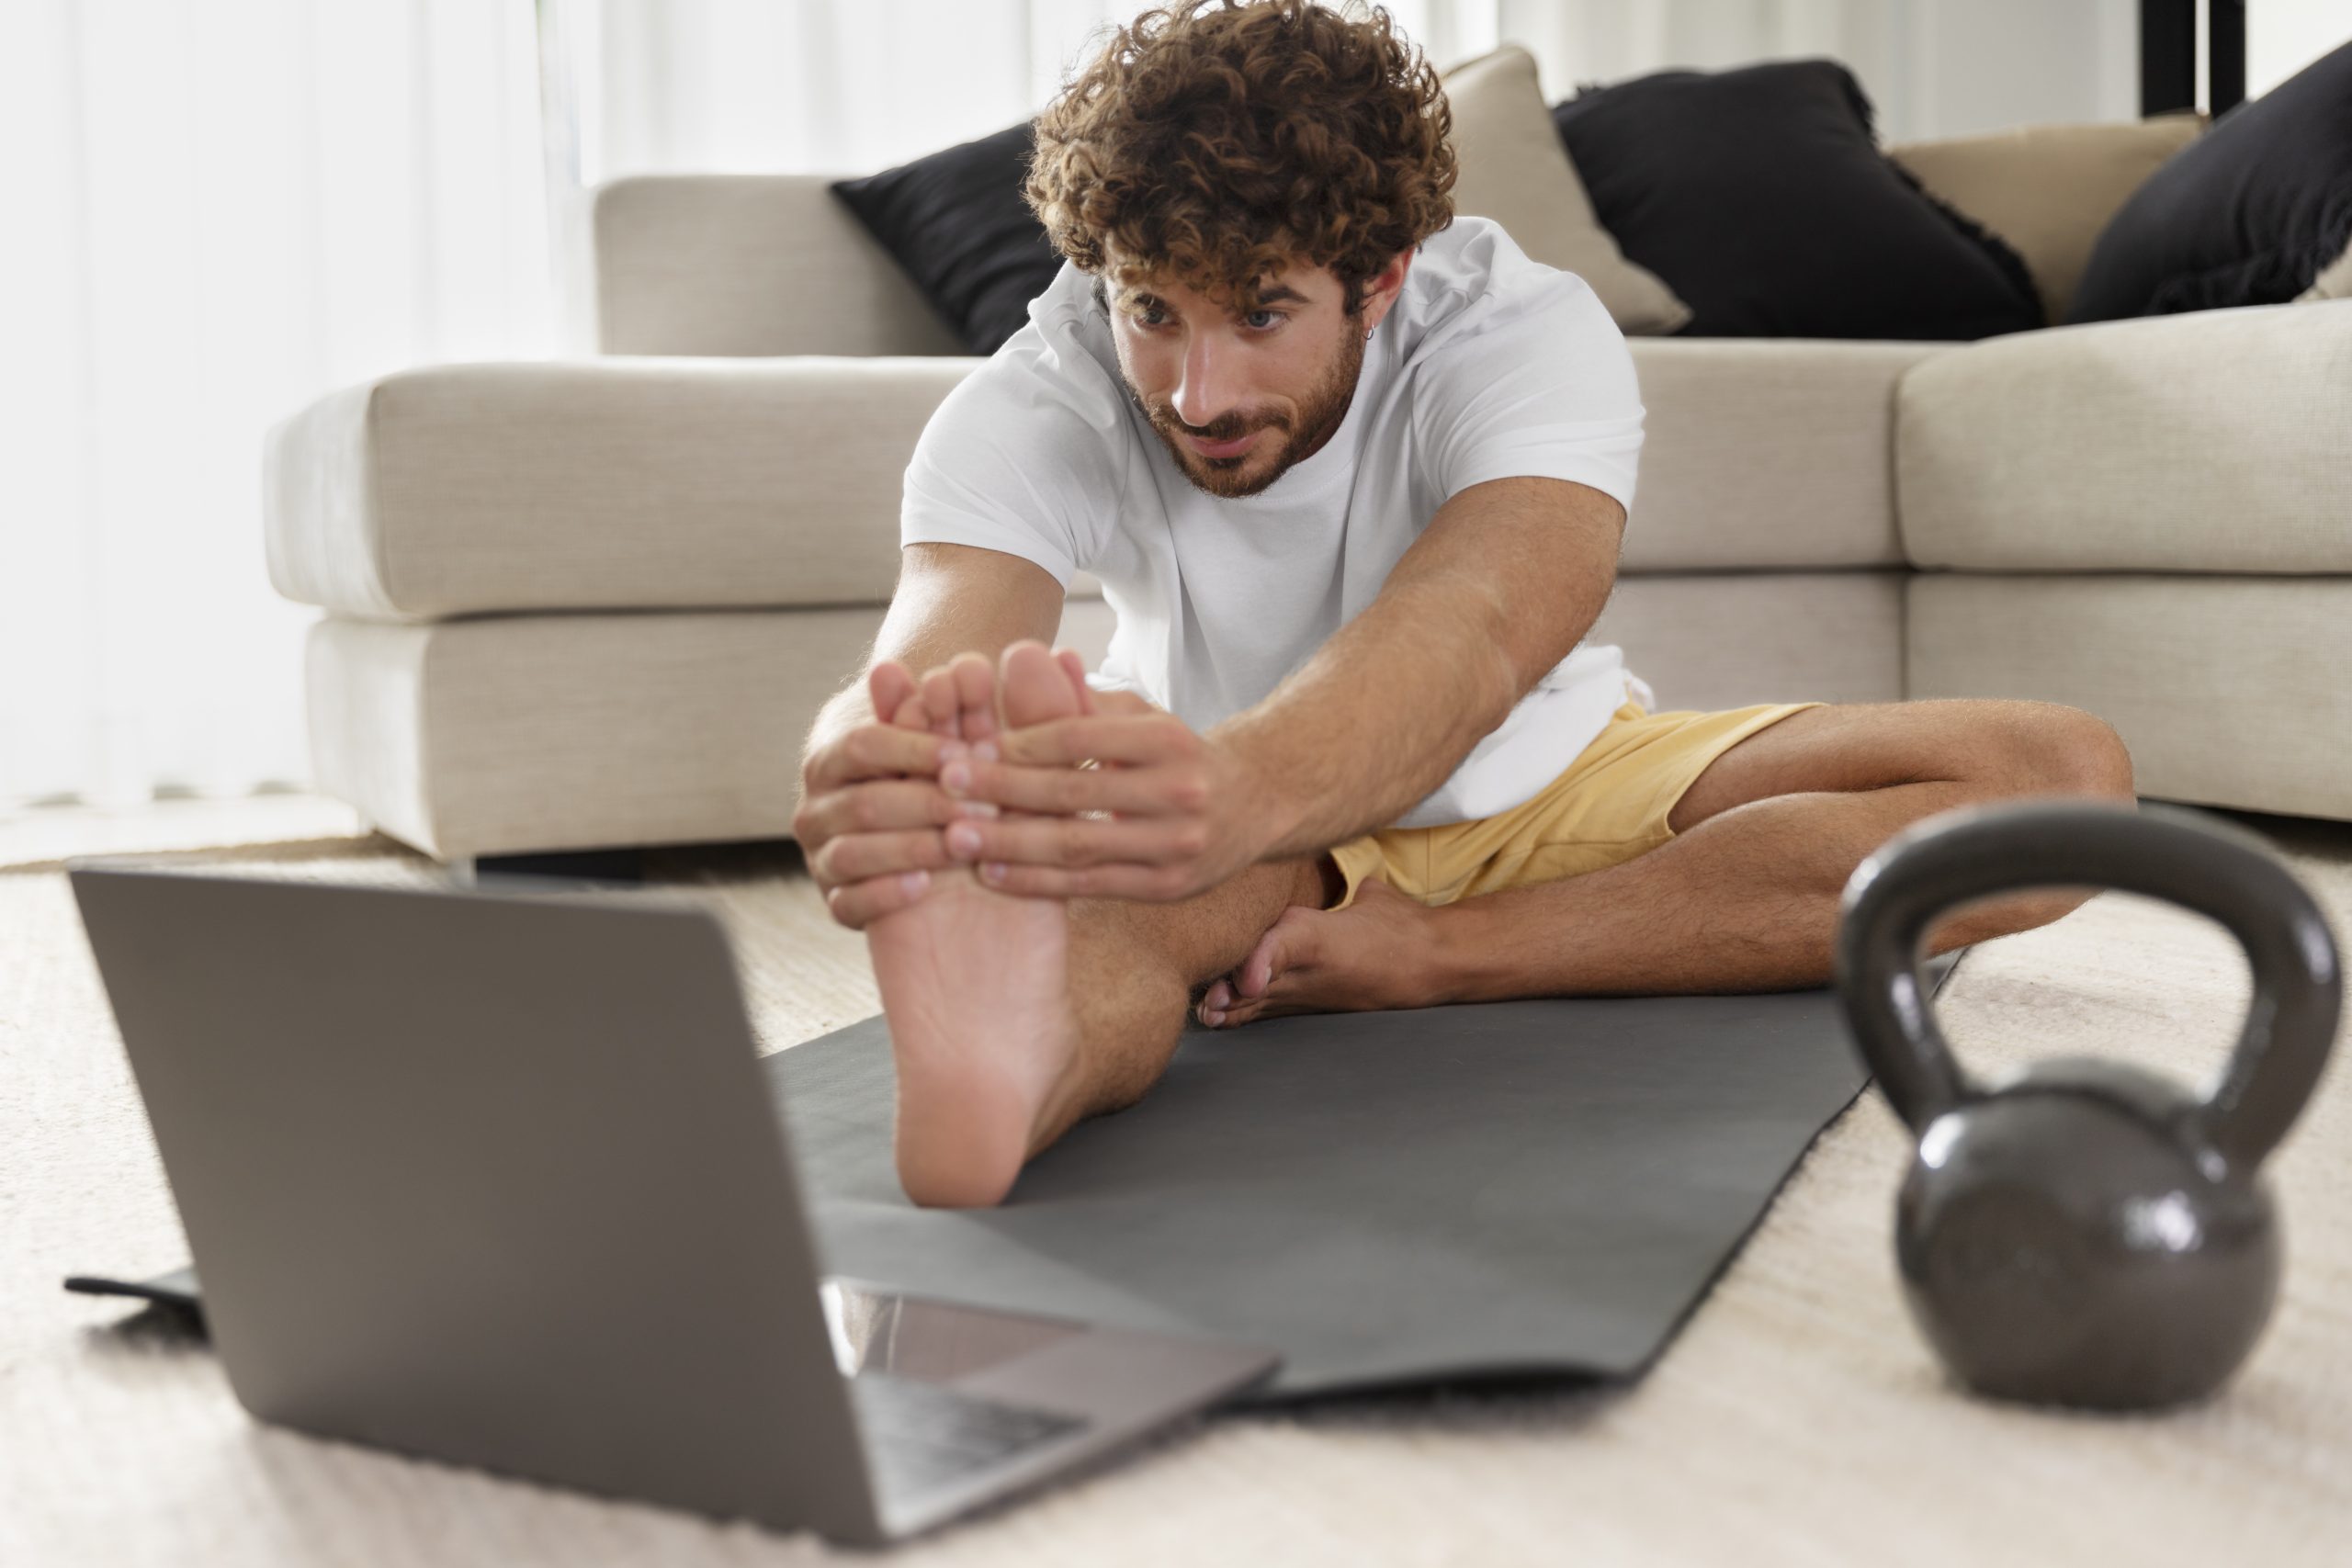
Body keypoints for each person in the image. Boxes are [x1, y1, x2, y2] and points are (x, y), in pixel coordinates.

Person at [792, 0, 2135, 1208]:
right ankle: (1008, 1074)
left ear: (1379, 278)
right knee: (1098, 941)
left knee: (2062, 781)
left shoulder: (1511, 329)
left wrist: (1260, 794)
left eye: (1261, 316)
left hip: (1543, 771)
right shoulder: (1045, 387)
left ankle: (1460, 951)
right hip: (1245, 829)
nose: (1197, 393)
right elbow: (938, 636)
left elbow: (1481, 621)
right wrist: (872, 760)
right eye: (1153, 311)